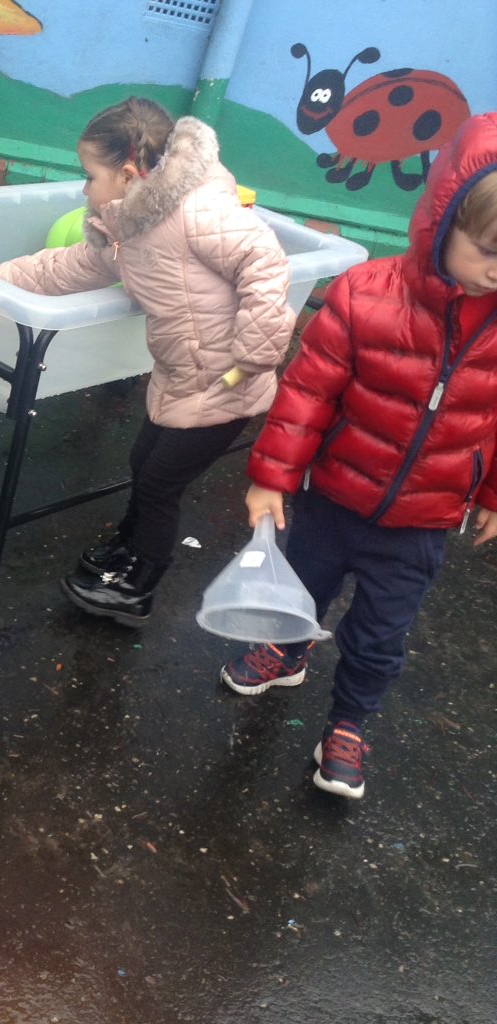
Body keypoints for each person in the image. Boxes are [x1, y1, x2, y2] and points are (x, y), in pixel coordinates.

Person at [220, 112, 497, 800]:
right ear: (443, 221)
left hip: (421, 525)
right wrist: (271, 477)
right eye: (488, 249)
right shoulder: (365, 293)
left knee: (379, 636)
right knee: (299, 591)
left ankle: (348, 724)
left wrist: (492, 494)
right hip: (333, 500)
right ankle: (287, 651)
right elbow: (307, 393)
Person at [0, 98, 295, 626]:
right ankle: (128, 547)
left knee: (158, 483)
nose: (85, 189)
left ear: (128, 175)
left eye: (90, 176)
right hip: (180, 373)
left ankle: (139, 584)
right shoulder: (129, 226)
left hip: (228, 380)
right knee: (143, 463)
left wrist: (254, 355)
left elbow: (265, 263)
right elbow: (70, 267)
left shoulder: (197, 212)